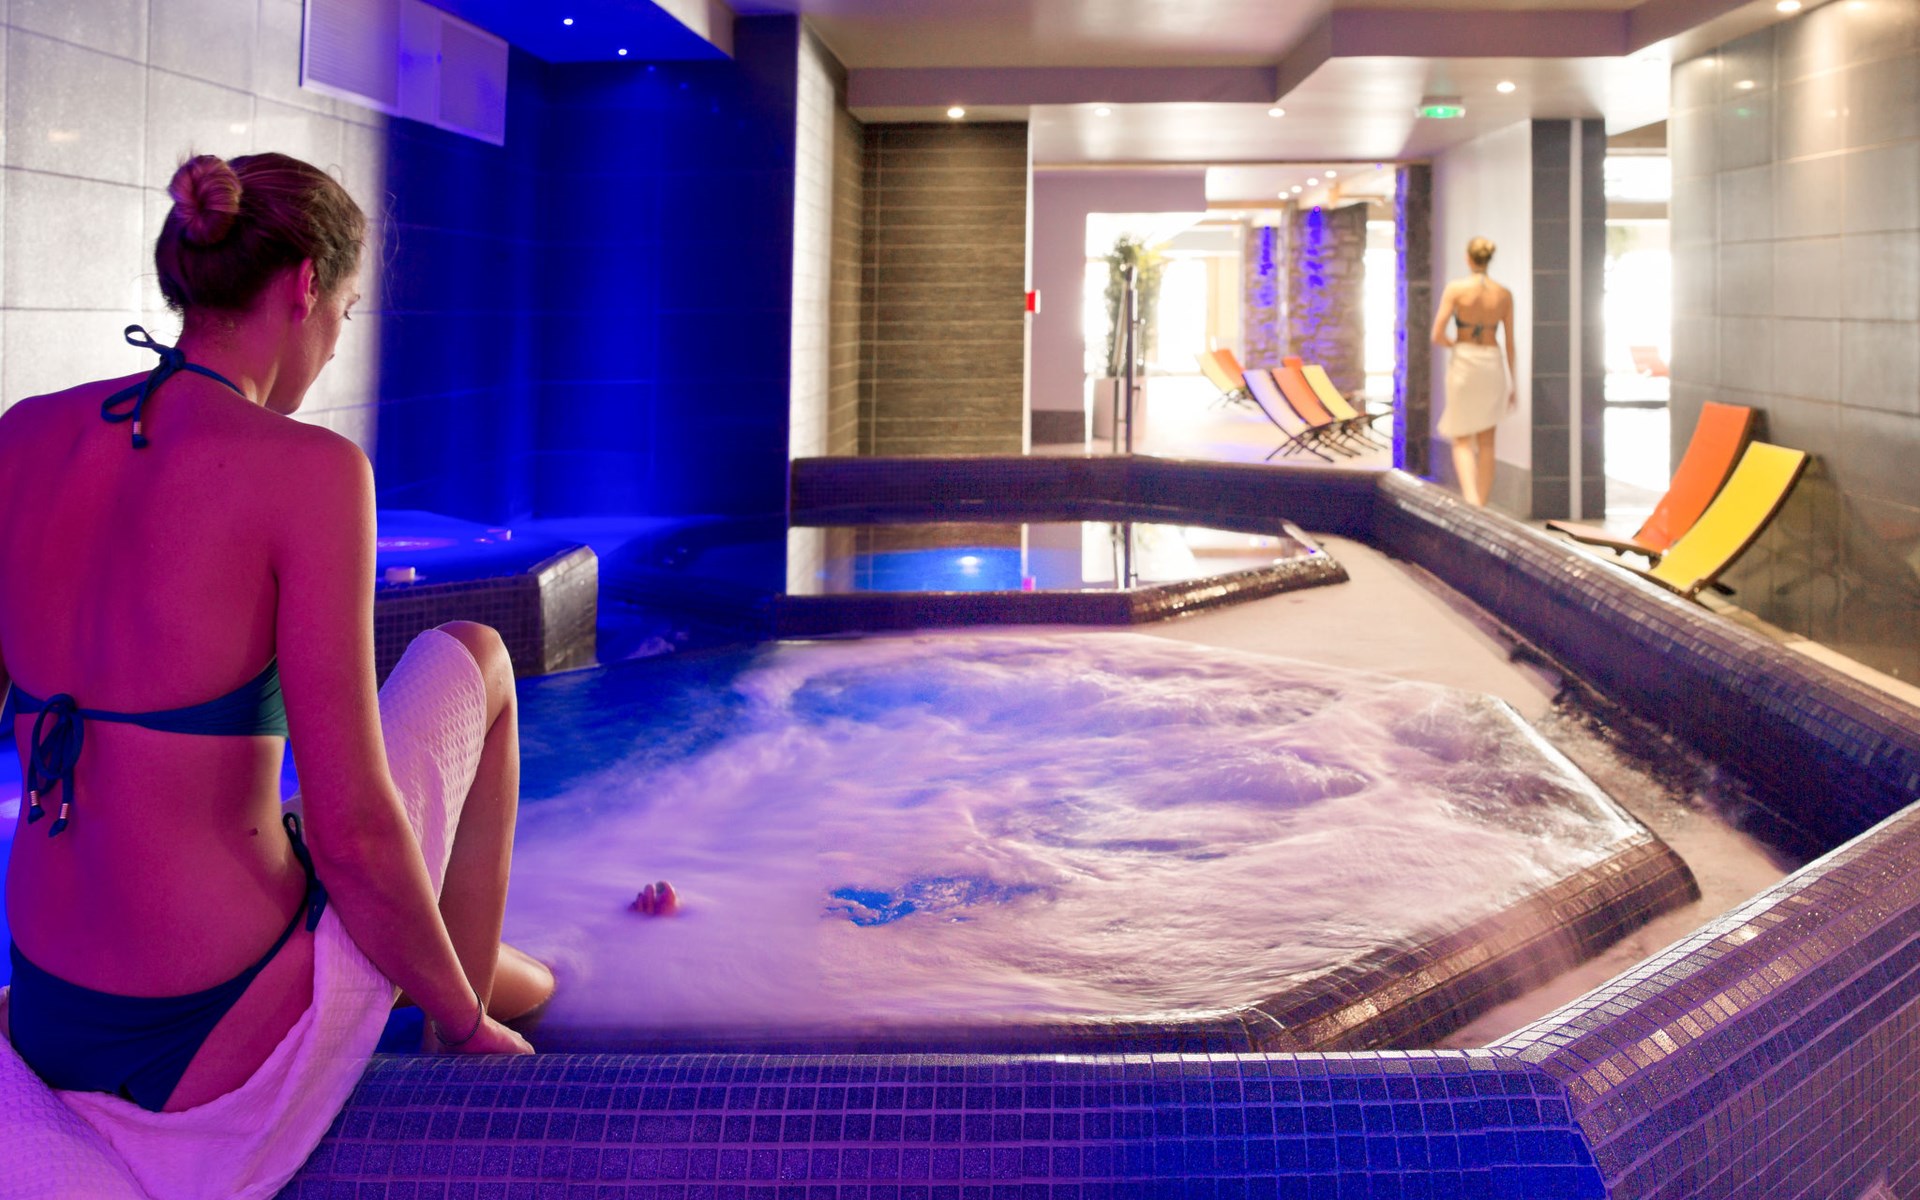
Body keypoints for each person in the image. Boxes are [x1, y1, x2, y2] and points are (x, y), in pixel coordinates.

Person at [0, 152, 552, 1193]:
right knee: (476, 654)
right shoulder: (311, 471)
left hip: (47, 1007)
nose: (333, 343)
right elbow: (354, 832)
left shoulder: (23, 435)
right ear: (304, 287)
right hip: (210, 1036)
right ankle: (465, 1032)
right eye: (344, 312)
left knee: (504, 958)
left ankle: (523, 978)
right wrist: (464, 1019)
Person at [1430, 236, 1516, 508]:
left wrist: (1455, 345)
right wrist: (1513, 383)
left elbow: (1437, 333)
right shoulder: (1503, 294)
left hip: (1465, 362)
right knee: (1487, 440)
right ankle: (1482, 504)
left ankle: (1470, 501)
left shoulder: (1456, 289)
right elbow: (1509, 343)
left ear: (1468, 258)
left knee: (1461, 437)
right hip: (1492, 363)